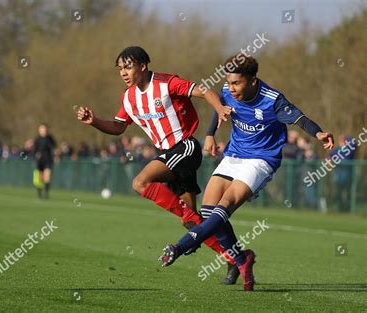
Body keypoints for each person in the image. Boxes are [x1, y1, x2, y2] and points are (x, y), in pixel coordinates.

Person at [158, 54, 334, 291]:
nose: (231, 88)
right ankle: (242, 259)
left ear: (253, 81)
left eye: (236, 83)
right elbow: (220, 107)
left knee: (225, 205)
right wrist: (210, 133)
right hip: (234, 155)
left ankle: (180, 247)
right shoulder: (229, 90)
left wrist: (319, 133)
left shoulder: (273, 100)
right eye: (229, 83)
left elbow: (300, 118)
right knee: (209, 211)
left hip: (261, 160)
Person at [76, 46, 240, 284]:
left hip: (185, 148)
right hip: (170, 155)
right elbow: (119, 127)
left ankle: (203, 232)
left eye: (128, 66)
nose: (123, 72)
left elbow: (204, 91)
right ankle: (236, 259)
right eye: (120, 68)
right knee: (192, 221)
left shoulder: (166, 83)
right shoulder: (128, 97)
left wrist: (219, 108)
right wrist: (94, 122)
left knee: (140, 182)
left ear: (143, 65)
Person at [33, 123, 57, 199]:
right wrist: (35, 157)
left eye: (44, 129)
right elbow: (34, 150)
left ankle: (46, 194)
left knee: (47, 176)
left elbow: (54, 148)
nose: (43, 130)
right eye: (42, 129)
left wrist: (56, 156)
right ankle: (39, 194)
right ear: (39, 130)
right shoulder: (37, 139)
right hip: (39, 160)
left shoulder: (50, 138)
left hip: (48, 159)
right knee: (39, 178)